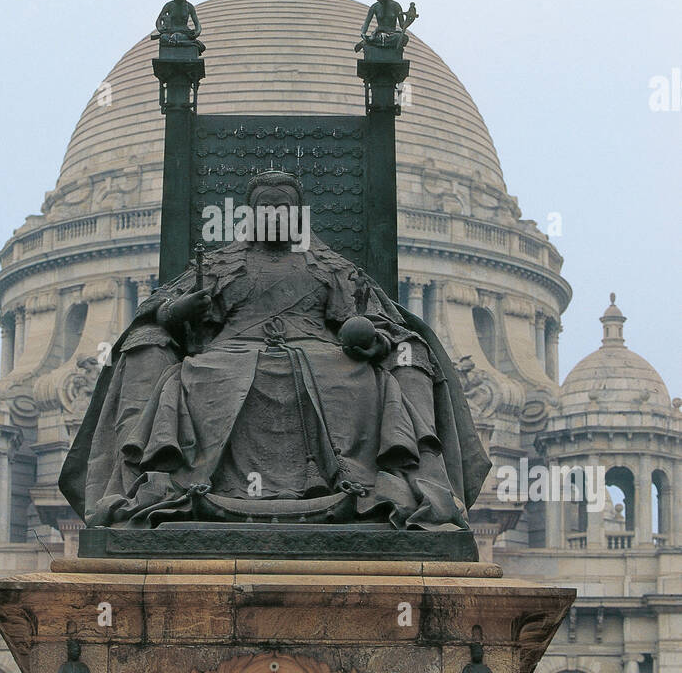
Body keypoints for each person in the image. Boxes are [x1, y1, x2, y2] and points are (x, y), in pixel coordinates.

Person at [59, 171, 490, 533]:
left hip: (321, 354)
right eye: (265, 207)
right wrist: (179, 311)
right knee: (199, 375)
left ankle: (391, 484)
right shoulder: (218, 264)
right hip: (229, 354)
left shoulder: (332, 268)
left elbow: (369, 321)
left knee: (357, 378)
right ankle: (165, 485)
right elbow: (156, 310)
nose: (275, 215)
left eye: (284, 207)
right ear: (250, 215)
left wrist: (371, 340)